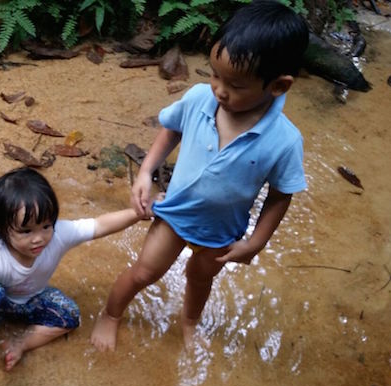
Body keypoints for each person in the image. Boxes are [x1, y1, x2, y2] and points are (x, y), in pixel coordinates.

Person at [91, 0, 310, 351]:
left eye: (236, 85)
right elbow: (170, 130)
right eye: (214, 74)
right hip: (176, 213)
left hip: (222, 230)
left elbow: (281, 195)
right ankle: (112, 313)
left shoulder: (284, 141)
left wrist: (255, 242)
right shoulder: (198, 100)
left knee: (200, 277)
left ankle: (190, 322)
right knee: (145, 272)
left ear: (278, 86)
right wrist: (146, 172)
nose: (220, 90)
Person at [0, 166, 142, 383]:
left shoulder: (58, 235)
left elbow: (99, 225)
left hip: (29, 299)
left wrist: (137, 214)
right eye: (26, 231)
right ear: (1, 230)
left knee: (70, 313)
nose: (39, 238)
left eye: (46, 226)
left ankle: (21, 344)